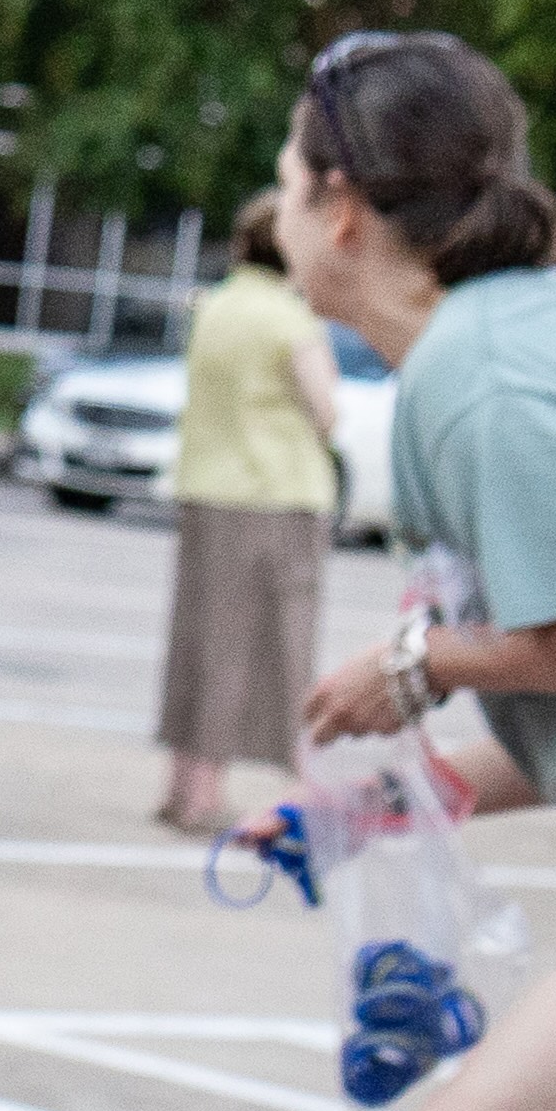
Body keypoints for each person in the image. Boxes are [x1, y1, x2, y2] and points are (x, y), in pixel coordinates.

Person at [258, 36, 556, 1111]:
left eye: (291, 177)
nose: (277, 206)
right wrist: (376, 811)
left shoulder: (483, 379)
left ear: (348, 206)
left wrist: (417, 668)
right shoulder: (491, 356)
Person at [159, 197, 342, 837]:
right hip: (277, 493)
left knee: (202, 639)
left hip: (205, 488)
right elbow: (326, 409)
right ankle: (263, 795)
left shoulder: (212, 306)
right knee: (275, 646)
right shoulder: (290, 318)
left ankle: (186, 786)